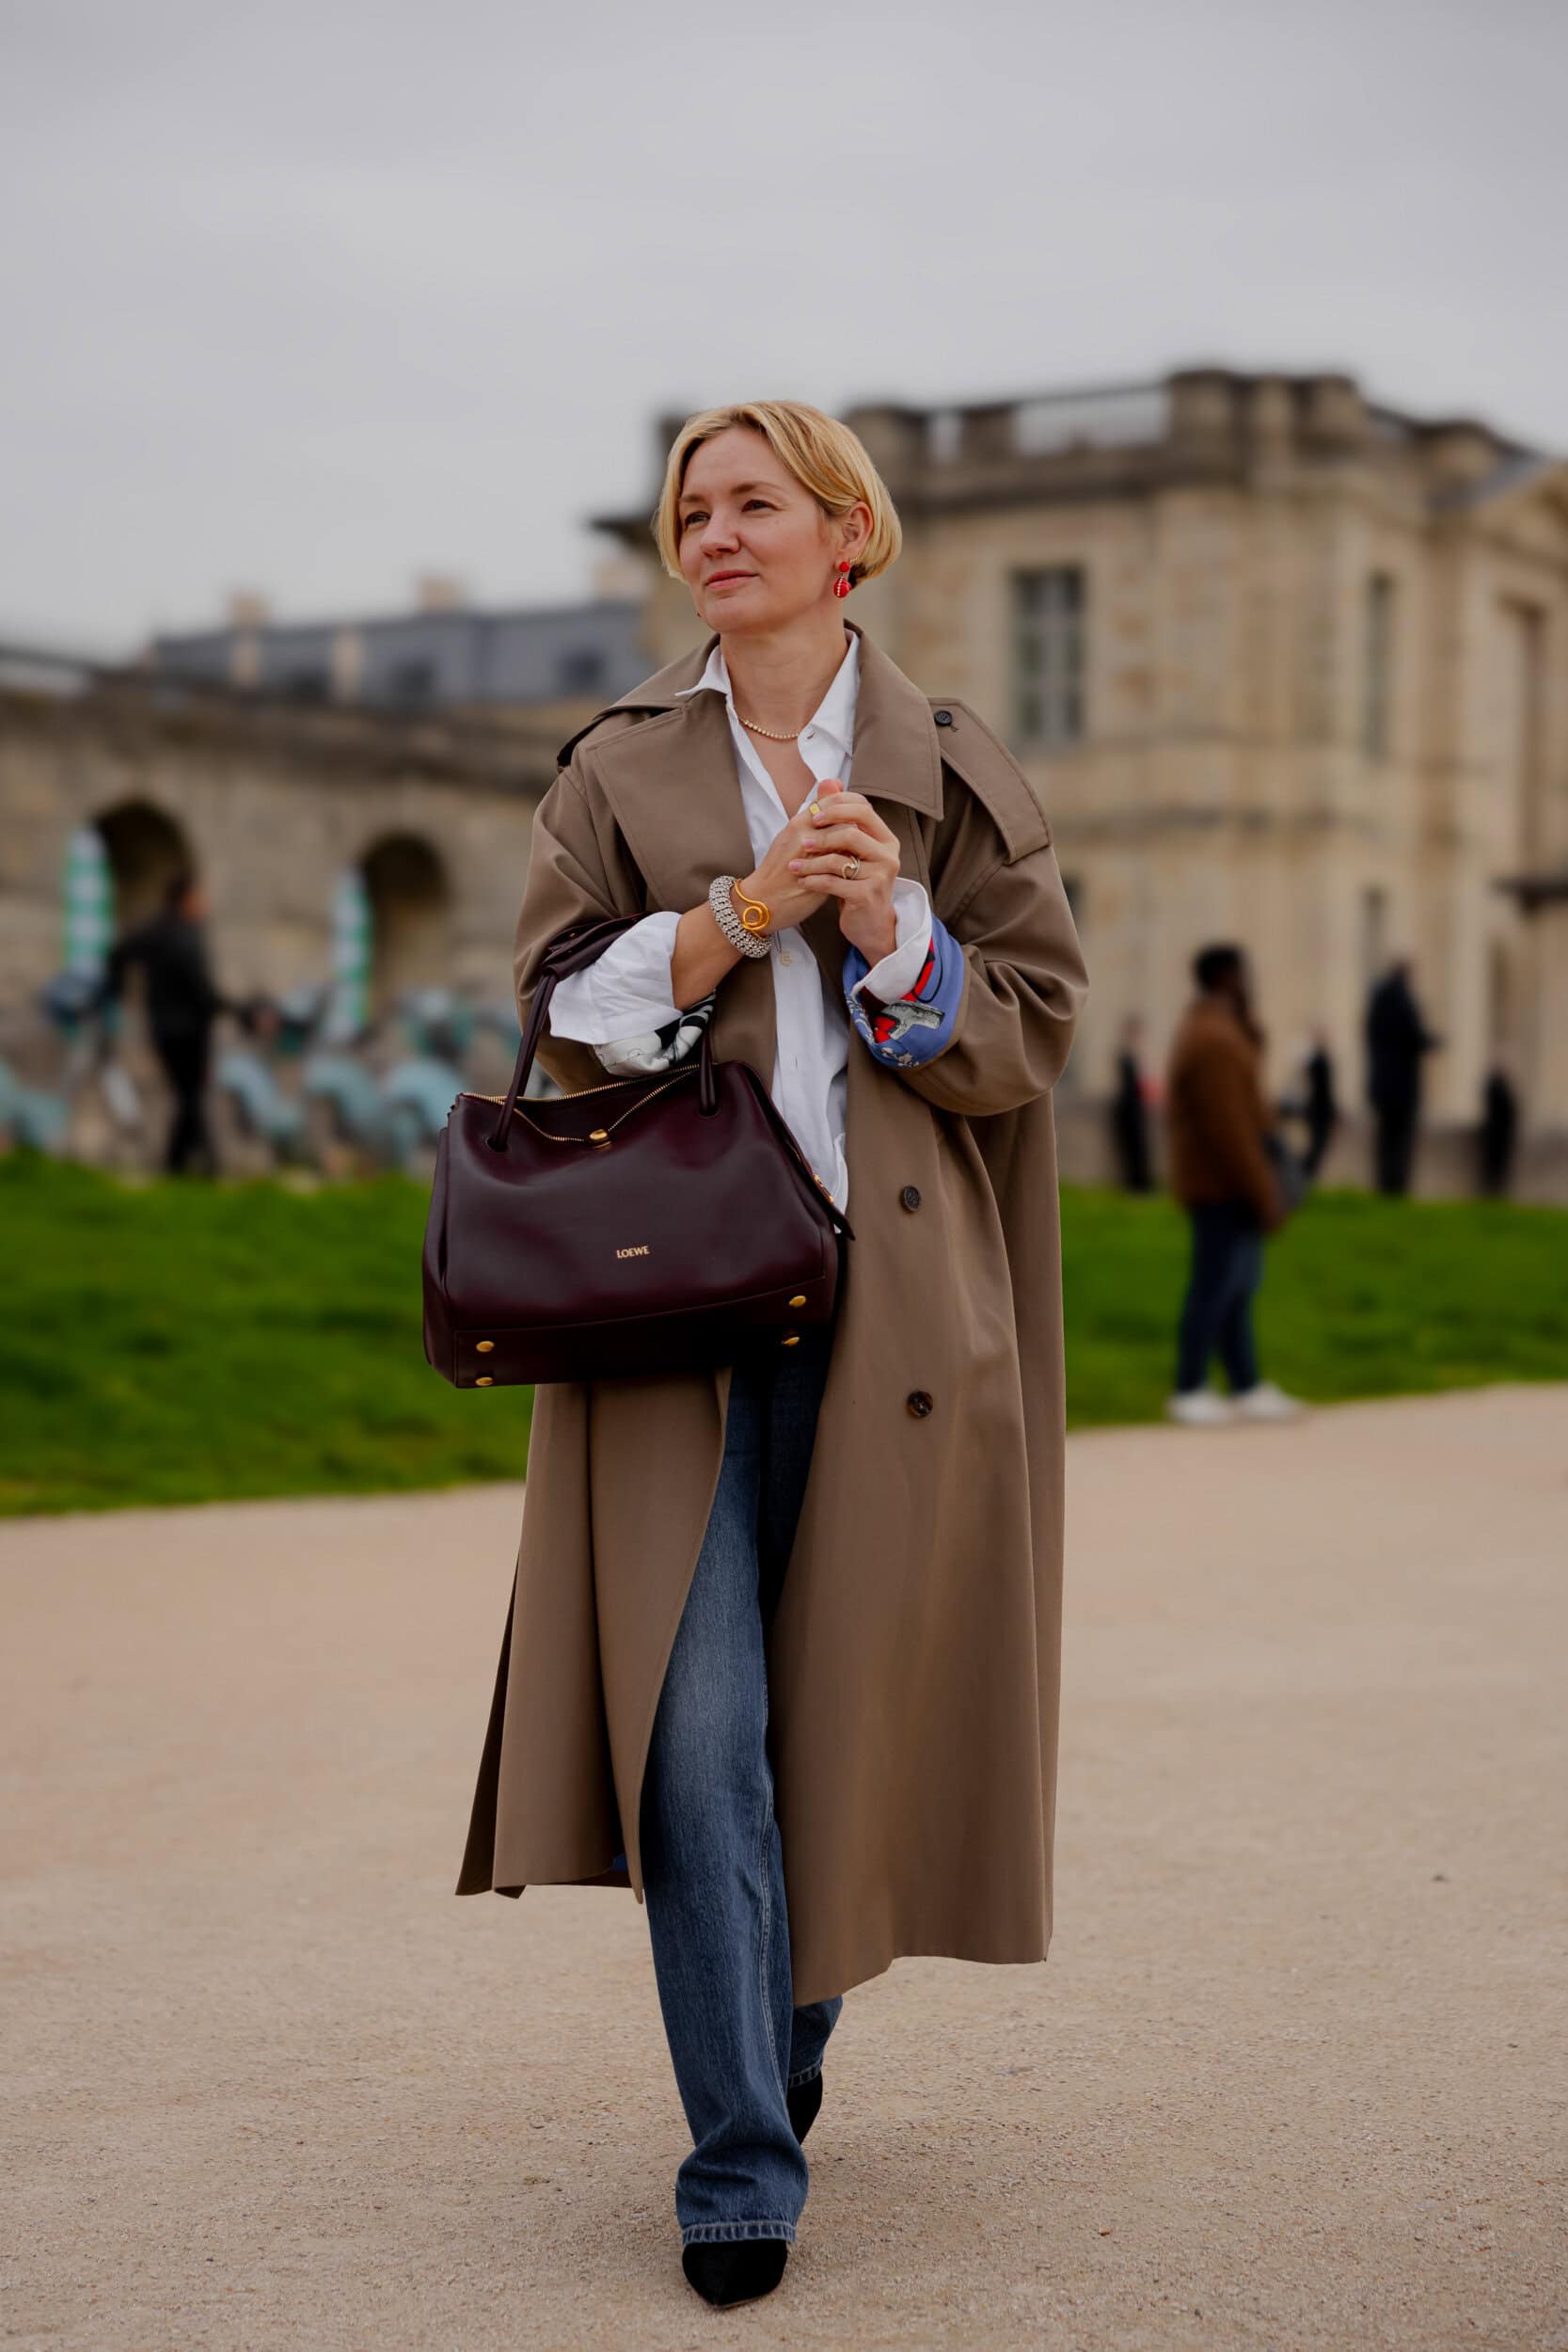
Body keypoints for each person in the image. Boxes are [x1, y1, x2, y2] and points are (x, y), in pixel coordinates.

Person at [455, 402, 1087, 2308]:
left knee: (840, 1726)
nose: (714, 534)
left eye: (753, 504)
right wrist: (734, 916)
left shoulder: (950, 766)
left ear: (844, 535)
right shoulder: (616, 766)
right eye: (691, 509)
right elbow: (557, 1009)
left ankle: (774, 2050)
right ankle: (739, 2156)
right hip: (671, 1314)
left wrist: (889, 922)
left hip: (897, 1327)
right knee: (694, 1735)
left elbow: (1027, 1033)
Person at [1164, 944, 1302, 1426]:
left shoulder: (1220, 1030)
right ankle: (1189, 1387)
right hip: (1220, 1184)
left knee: (1236, 1287)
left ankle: (1245, 1384)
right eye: (1243, 974)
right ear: (1225, 977)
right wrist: (1264, 1192)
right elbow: (1231, 1130)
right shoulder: (1213, 1038)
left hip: (1226, 1183)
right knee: (1214, 1287)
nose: (1250, 983)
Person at [102, 872, 230, 1175]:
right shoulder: (186, 935)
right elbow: (200, 989)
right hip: (190, 1030)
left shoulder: (155, 930)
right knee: (191, 1095)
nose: (204, 904)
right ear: (186, 899)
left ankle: (186, 1162)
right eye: (200, 897)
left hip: (163, 1027)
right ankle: (192, 1163)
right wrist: (229, 1007)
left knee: (188, 1095)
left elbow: (118, 954)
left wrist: (117, 992)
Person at [1364, 958, 1439, 1196]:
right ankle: (1395, 1186)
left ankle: (1385, 1184)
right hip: (1402, 1086)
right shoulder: (1402, 1001)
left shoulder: (1378, 999)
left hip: (1383, 1084)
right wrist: (1433, 1041)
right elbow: (1412, 1037)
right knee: (1400, 1139)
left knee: (1386, 1138)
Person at [1110, 1014, 1153, 1191]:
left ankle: (1140, 1182)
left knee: (1138, 1147)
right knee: (1132, 1147)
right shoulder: (1126, 1056)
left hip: (1134, 1110)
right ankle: (1136, 1183)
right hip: (1129, 1110)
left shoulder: (1133, 1056)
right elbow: (1131, 1087)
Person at [1300, 1026, 1339, 1179]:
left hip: (1317, 1109)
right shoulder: (1320, 1061)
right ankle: (1306, 1173)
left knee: (1317, 1146)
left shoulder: (1317, 1061)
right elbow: (1325, 1090)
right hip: (1320, 1110)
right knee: (1317, 1146)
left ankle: (1306, 1173)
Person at [1479, 1060, 1519, 1197]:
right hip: (1497, 1133)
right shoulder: (1496, 1089)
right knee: (1494, 1163)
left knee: (1496, 1163)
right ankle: (1493, 1189)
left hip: (1499, 1133)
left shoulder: (1496, 1089)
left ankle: (1494, 1188)